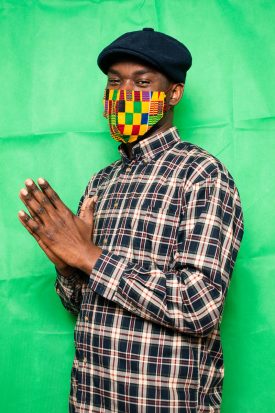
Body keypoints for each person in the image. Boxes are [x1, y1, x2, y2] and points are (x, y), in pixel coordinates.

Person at [18, 28, 244, 413]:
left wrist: (91, 258)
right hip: (90, 400)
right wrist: (68, 266)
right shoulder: (101, 183)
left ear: (173, 93)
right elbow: (83, 306)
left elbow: (200, 305)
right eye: (115, 82)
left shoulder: (202, 174)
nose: (125, 94)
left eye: (142, 82)